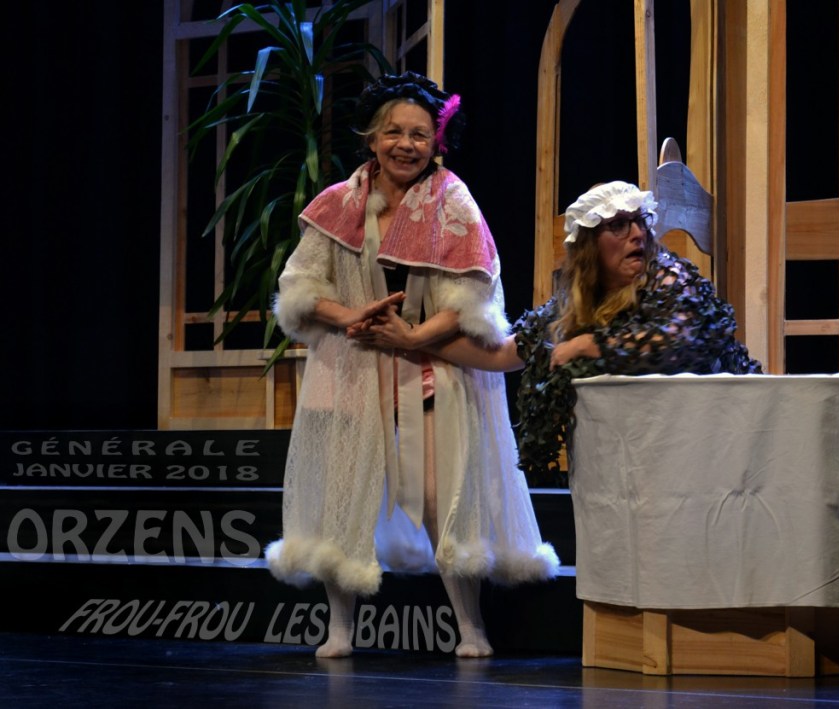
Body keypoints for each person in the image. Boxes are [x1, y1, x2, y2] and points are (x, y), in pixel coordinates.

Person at [264, 72, 560, 659]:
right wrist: (351, 314)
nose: (406, 144)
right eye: (394, 132)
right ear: (372, 138)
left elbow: (474, 294)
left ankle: (471, 626)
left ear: (436, 141)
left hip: (428, 369)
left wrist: (413, 335)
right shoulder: (338, 204)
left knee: (437, 498)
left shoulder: (453, 201)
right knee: (344, 497)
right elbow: (299, 287)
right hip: (351, 367)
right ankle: (340, 627)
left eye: (419, 134)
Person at [362, 181, 762, 480]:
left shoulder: (669, 276)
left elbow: (680, 339)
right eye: (618, 225)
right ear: (589, 246)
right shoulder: (572, 307)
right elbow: (505, 353)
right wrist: (412, 338)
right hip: (643, 460)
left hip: (719, 442)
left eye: (640, 222)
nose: (637, 233)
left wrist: (592, 344)